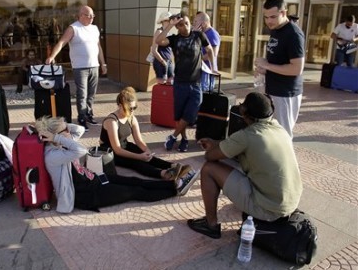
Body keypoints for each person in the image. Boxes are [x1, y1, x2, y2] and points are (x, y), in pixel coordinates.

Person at [188, 92, 303, 239]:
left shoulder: (246, 135)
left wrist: (212, 147)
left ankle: (210, 225)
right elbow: (238, 146)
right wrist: (217, 144)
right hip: (289, 202)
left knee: (209, 169)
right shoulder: (278, 128)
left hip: (269, 209)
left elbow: (210, 156)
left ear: (244, 113)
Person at [35, 116, 197, 213]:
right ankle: (176, 189)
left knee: (134, 180)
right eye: (65, 132)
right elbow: (80, 151)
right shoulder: (53, 155)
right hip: (87, 196)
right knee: (134, 191)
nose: (70, 134)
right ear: (56, 138)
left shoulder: (63, 143)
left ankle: (171, 182)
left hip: (95, 181)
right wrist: (57, 136)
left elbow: (79, 130)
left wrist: (61, 131)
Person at [100, 87, 199, 185]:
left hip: (124, 145)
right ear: (120, 106)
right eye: (130, 108)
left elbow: (138, 140)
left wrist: (147, 151)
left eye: (135, 108)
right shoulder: (112, 121)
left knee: (147, 156)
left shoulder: (131, 118)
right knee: (136, 162)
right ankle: (164, 174)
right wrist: (139, 157)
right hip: (109, 152)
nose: (132, 111)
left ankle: (174, 166)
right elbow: (117, 149)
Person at [156, 13, 215, 152]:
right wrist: (170, 24)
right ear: (177, 27)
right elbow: (159, 41)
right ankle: (183, 139)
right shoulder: (174, 39)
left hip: (196, 83)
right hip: (180, 83)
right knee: (180, 113)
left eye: (187, 23)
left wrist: (213, 68)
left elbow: (210, 49)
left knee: (191, 112)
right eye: (181, 25)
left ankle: (173, 136)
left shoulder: (199, 36)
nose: (185, 26)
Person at [45, 5, 107, 132]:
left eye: (93, 16)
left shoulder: (94, 28)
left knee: (91, 94)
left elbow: (98, 47)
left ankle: (89, 114)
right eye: (89, 15)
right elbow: (61, 42)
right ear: (81, 15)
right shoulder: (74, 28)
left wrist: (103, 63)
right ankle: (82, 118)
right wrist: (52, 56)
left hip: (94, 65)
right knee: (82, 94)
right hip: (80, 67)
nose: (91, 18)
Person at [254, 0, 305, 138]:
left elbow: (296, 68)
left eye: (273, 17)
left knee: (282, 134)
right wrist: (264, 68)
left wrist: (268, 65)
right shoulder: (276, 28)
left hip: (285, 92)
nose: (268, 21)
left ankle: (284, 160)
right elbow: (279, 60)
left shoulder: (294, 34)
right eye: (266, 17)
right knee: (270, 132)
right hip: (273, 89)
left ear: (284, 13)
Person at [193, 11, 220, 92]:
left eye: (196, 21)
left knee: (204, 94)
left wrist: (198, 60)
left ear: (204, 23)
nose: (193, 23)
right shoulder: (201, 33)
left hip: (207, 71)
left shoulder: (212, 34)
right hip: (200, 69)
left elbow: (213, 53)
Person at [150, 12, 174, 85]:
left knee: (170, 83)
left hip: (169, 61)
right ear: (162, 21)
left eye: (170, 20)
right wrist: (163, 62)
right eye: (167, 20)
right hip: (160, 62)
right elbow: (154, 50)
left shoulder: (169, 32)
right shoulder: (159, 32)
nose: (170, 22)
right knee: (162, 84)